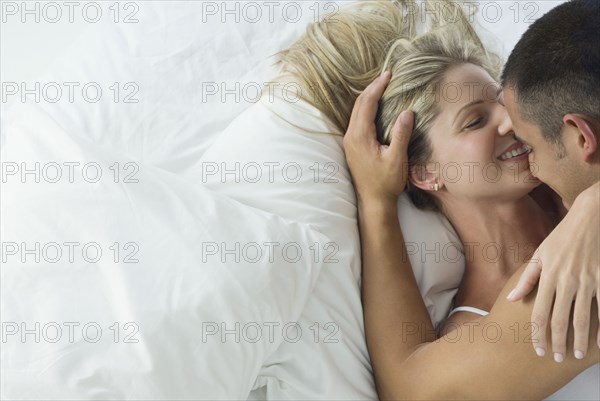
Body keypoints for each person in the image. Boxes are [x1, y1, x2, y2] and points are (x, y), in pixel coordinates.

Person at [277, 0, 599, 398]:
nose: (509, 120)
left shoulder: (580, 175)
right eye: (475, 120)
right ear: (426, 173)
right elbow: (410, 388)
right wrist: (376, 199)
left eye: (501, 102)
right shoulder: (519, 301)